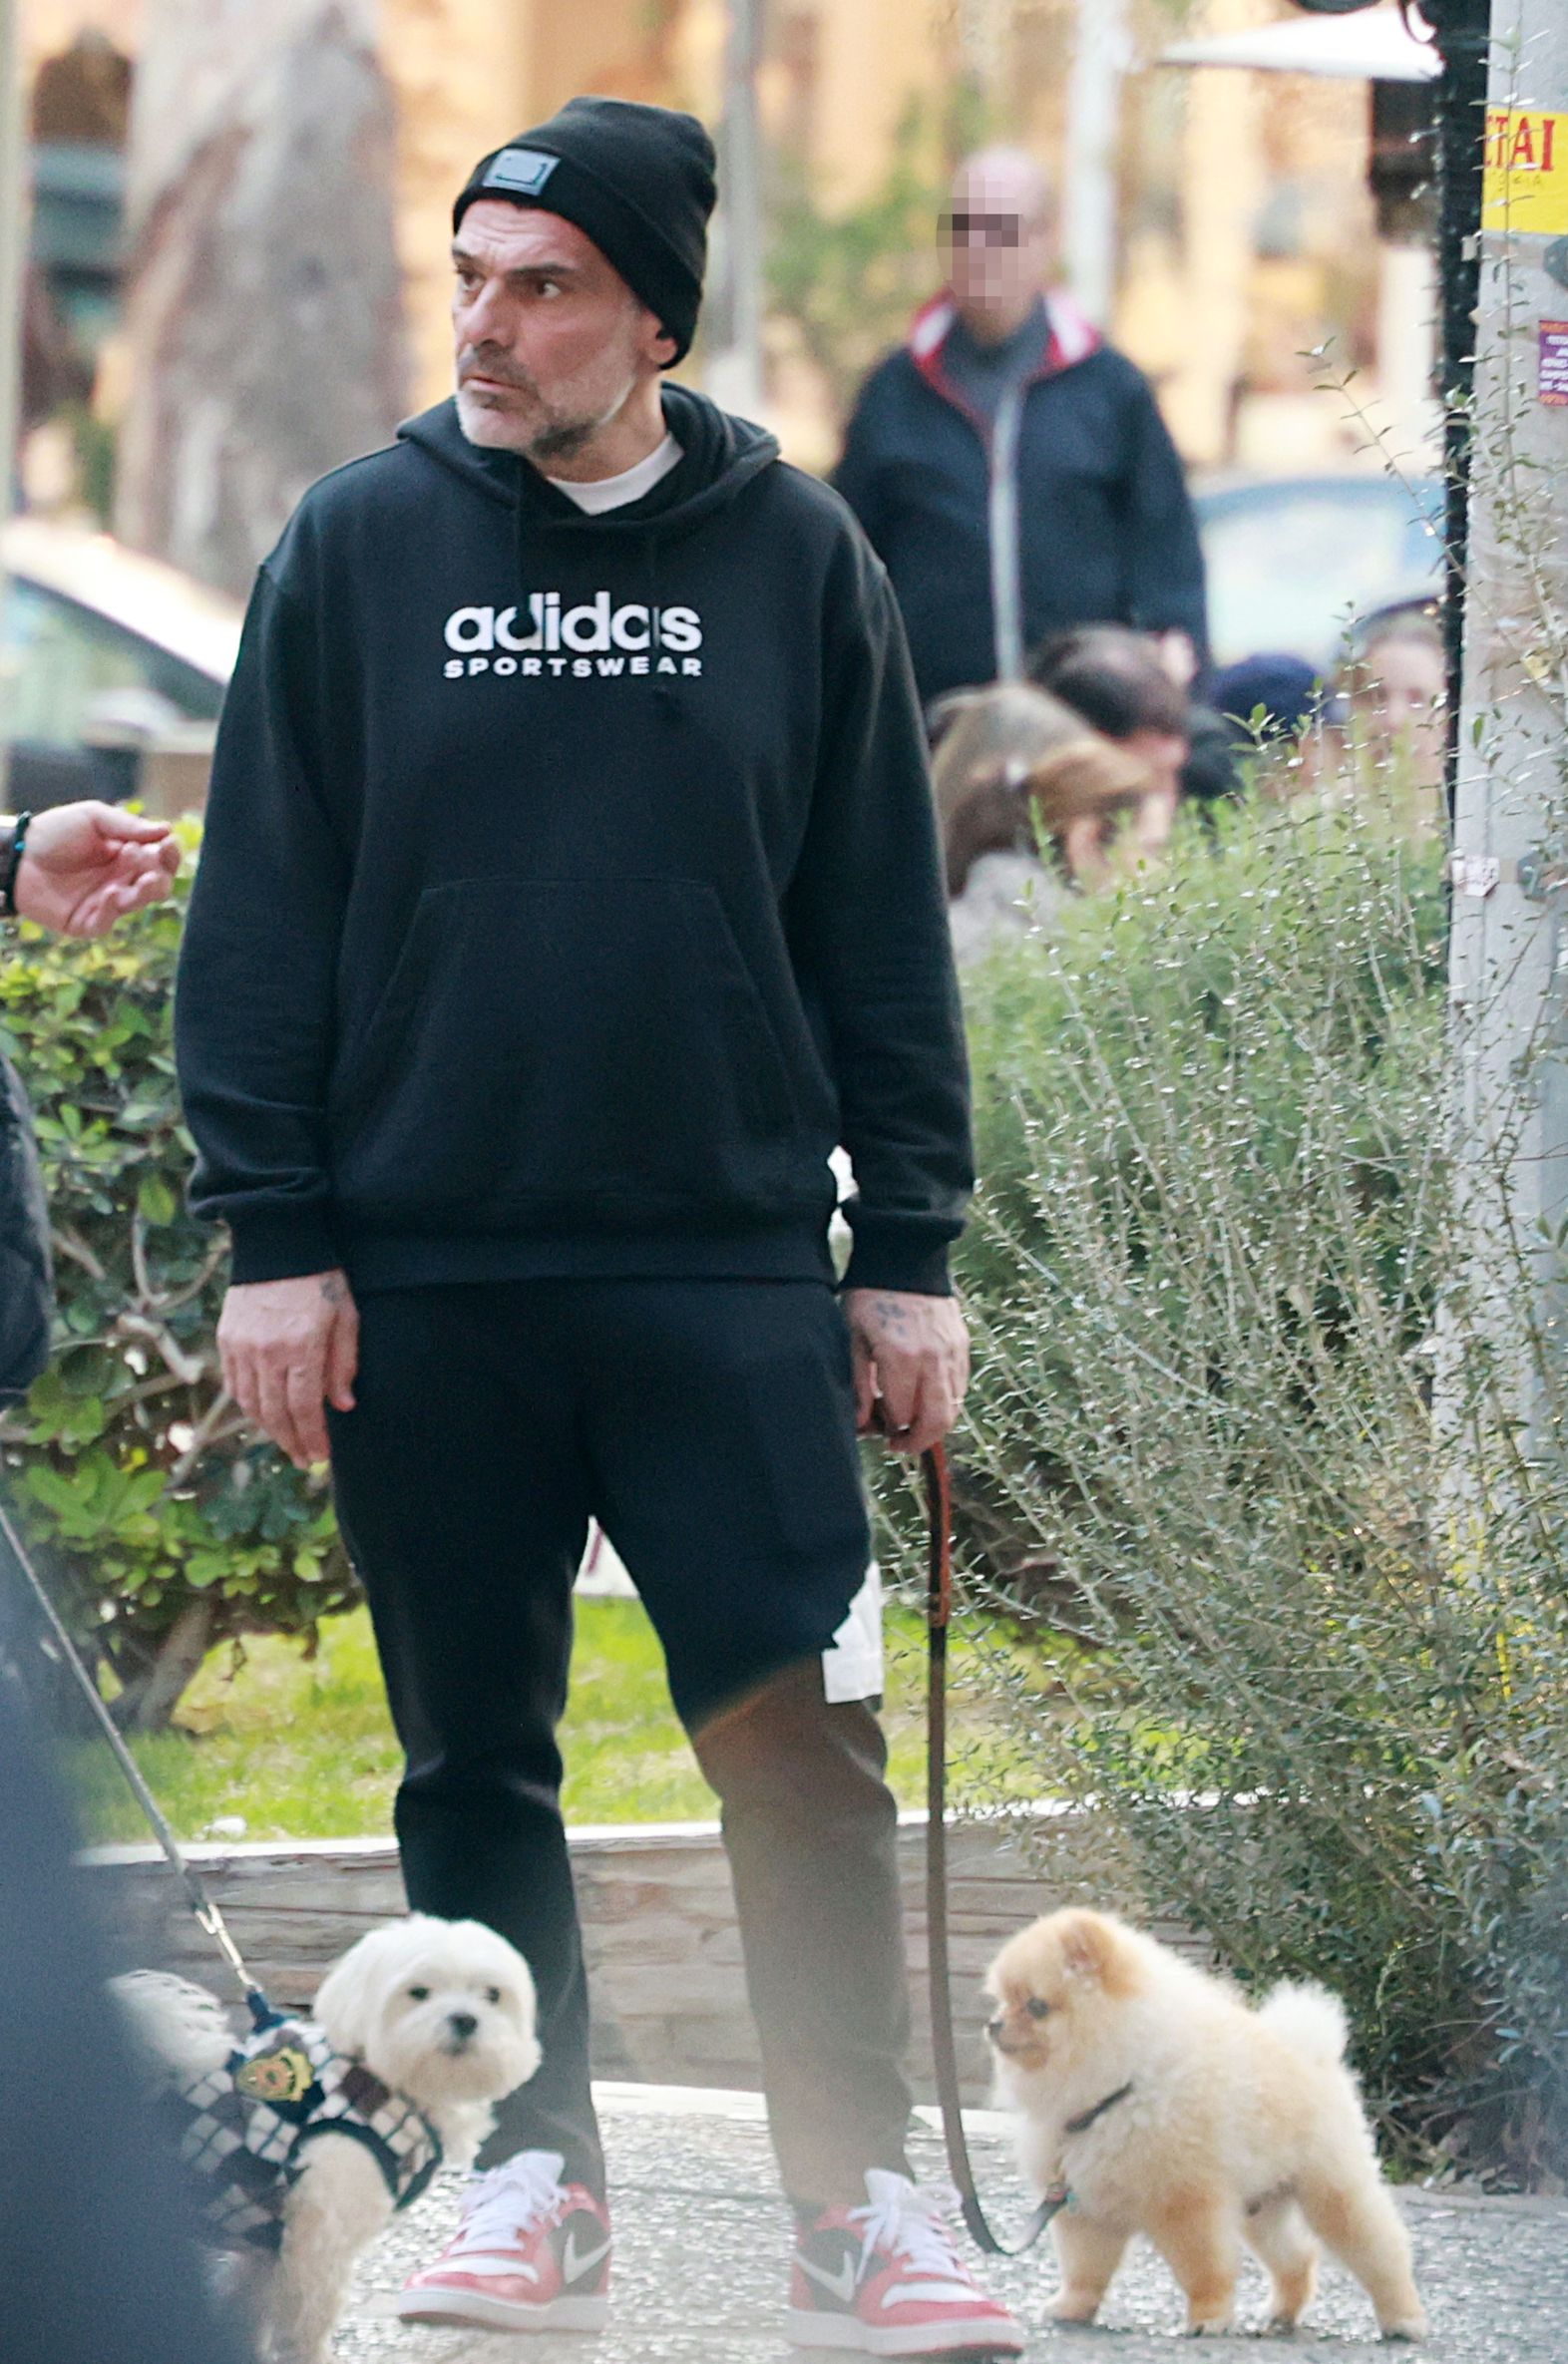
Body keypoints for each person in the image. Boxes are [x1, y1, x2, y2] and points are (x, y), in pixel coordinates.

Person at [174, 95, 1022, 2358]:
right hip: (426, 1271)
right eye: (470, 278)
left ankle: (856, 2204)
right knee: (472, 1754)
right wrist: (276, 1234)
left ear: (655, 321)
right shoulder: (358, 544)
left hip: (719, 1265)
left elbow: (878, 928)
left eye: (541, 288)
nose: (487, 324)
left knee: (794, 1744)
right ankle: (533, 2186)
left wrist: (907, 1248)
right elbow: (261, 916)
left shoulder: (796, 557)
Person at [834, 145, 1207, 708]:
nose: (979, 250)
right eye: (963, 229)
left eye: (1001, 231)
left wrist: (1175, 693)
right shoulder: (893, 393)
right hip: (932, 725)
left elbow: (1168, 563)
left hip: (1085, 724)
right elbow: (849, 566)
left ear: (1045, 240)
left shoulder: (1110, 389)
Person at [942, 690, 1153, 968]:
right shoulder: (1052, 955)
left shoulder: (987, 916)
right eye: (1147, 848)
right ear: (1085, 839)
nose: (1154, 867)